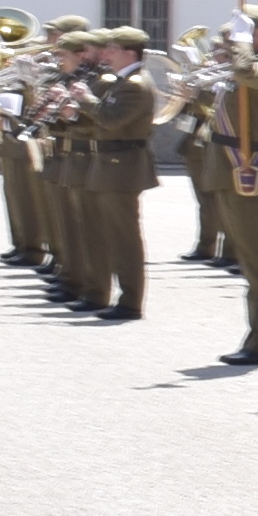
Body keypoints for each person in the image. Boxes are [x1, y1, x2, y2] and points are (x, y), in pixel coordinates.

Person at [61, 24, 158, 321]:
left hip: (122, 164)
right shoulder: (121, 80)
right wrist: (77, 111)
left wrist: (86, 100)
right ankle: (101, 294)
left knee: (124, 238)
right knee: (105, 234)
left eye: (113, 49)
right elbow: (101, 119)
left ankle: (130, 301)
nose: (106, 53)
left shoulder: (135, 84)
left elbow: (111, 119)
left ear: (130, 52)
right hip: (110, 163)